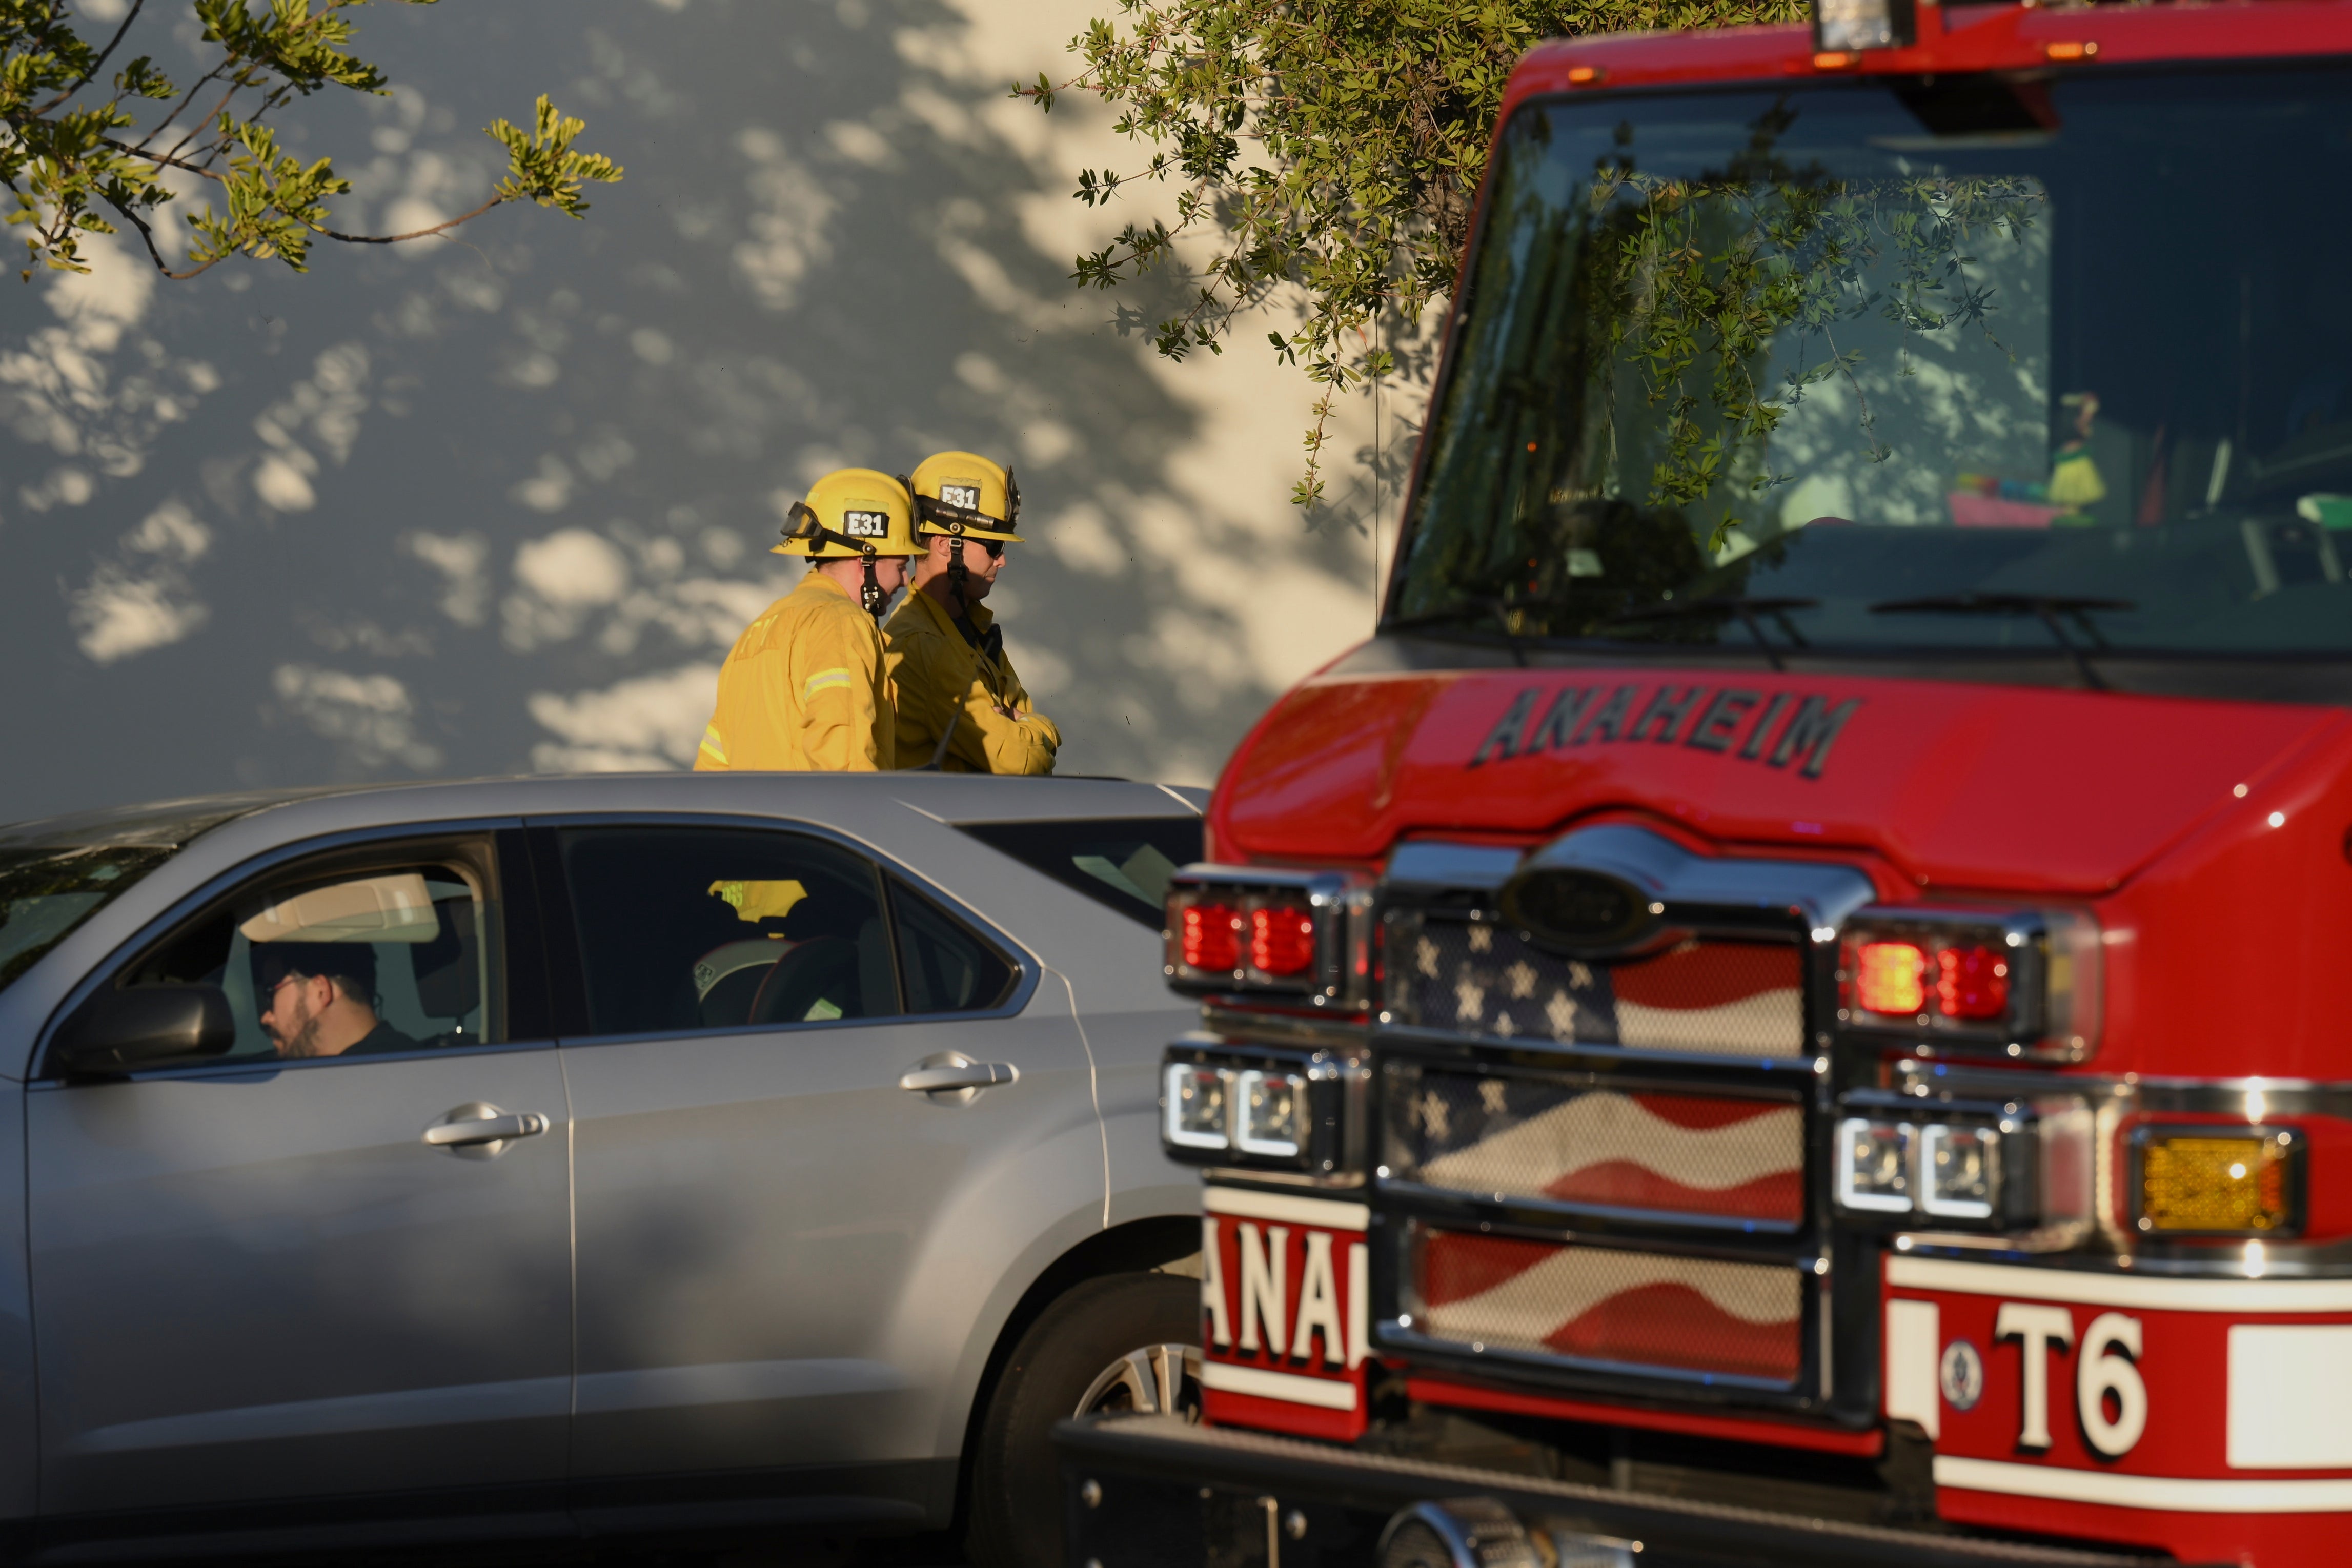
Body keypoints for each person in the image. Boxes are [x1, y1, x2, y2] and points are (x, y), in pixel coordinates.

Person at [696, 469, 924, 772]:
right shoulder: (842, 624)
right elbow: (846, 764)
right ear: (865, 559)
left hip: (765, 819)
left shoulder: (754, 634)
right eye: (899, 565)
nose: (906, 580)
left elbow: (713, 768)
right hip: (826, 818)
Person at [885, 451, 1061, 774]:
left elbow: (1022, 726)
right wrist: (1043, 729)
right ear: (944, 543)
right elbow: (1022, 761)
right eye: (994, 547)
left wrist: (1022, 725)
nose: (1002, 560)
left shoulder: (973, 631)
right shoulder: (924, 645)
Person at [253, 942, 418, 1059]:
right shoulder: (407, 1062)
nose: (267, 1017)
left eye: (271, 993)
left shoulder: (359, 1085)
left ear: (321, 991)